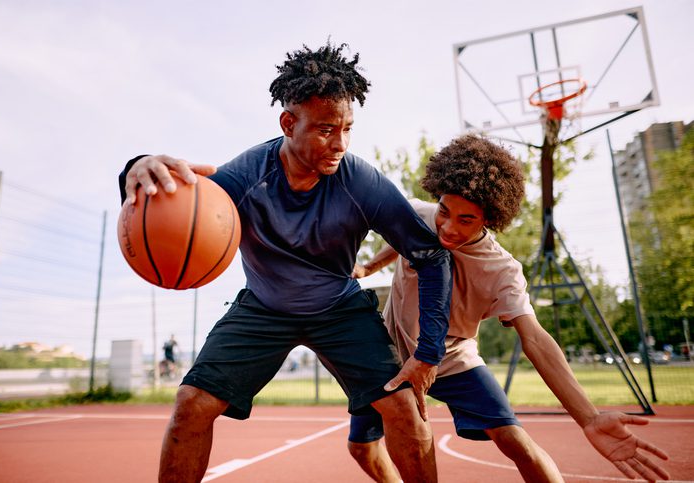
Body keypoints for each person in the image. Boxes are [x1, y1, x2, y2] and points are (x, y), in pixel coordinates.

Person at [119, 42, 452, 483]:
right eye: (326, 130)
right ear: (288, 123)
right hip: (263, 307)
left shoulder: (361, 182)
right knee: (190, 405)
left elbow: (430, 256)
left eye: (348, 129)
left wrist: (428, 353)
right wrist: (135, 167)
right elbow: (178, 198)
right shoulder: (245, 177)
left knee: (404, 407)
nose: (340, 143)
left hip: (338, 308)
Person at [347, 134, 671, 482]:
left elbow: (534, 339)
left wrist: (588, 417)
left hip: (453, 358)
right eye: (445, 211)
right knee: (362, 447)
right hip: (390, 352)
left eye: (466, 219)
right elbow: (401, 238)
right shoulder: (420, 215)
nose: (449, 227)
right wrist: (369, 268)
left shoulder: (502, 270)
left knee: (514, 441)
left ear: (489, 219)